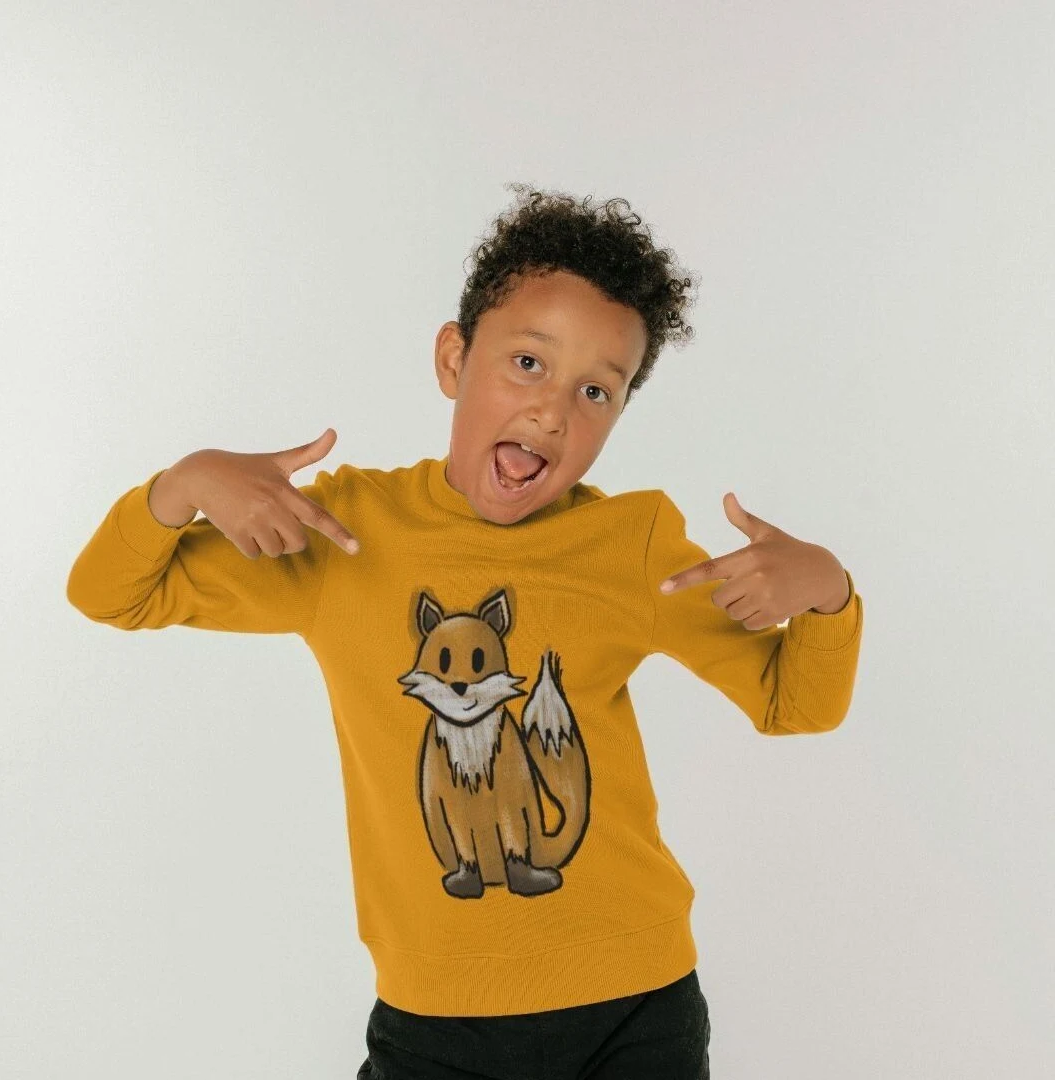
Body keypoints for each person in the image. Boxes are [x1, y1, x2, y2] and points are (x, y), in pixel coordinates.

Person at [66, 185, 863, 1078]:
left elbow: (795, 705)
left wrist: (827, 592)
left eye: (596, 390)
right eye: (527, 362)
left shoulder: (630, 545)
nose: (553, 411)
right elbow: (110, 594)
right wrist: (181, 485)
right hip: (435, 1019)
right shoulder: (343, 534)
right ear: (454, 358)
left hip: (634, 1002)